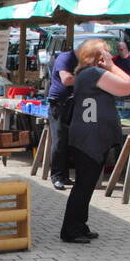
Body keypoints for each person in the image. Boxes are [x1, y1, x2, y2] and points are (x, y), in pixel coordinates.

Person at [60, 38, 130, 244]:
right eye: (106, 54)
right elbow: (128, 86)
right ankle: (71, 229)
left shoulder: (85, 74)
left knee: (86, 184)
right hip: (89, 137)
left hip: (89, 135)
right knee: (84, 185)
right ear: (98, 57)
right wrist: (112, 66)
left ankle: (79, 226)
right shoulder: (93, 73)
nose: (109, 57)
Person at [47, 47, 77, 190]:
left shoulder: (83, 61)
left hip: (72, 103)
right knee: (59, 141)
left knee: (68, 141)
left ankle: (64, 176)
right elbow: (66, 79)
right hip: (58, 104)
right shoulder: (65, 57)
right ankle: (56, 176)